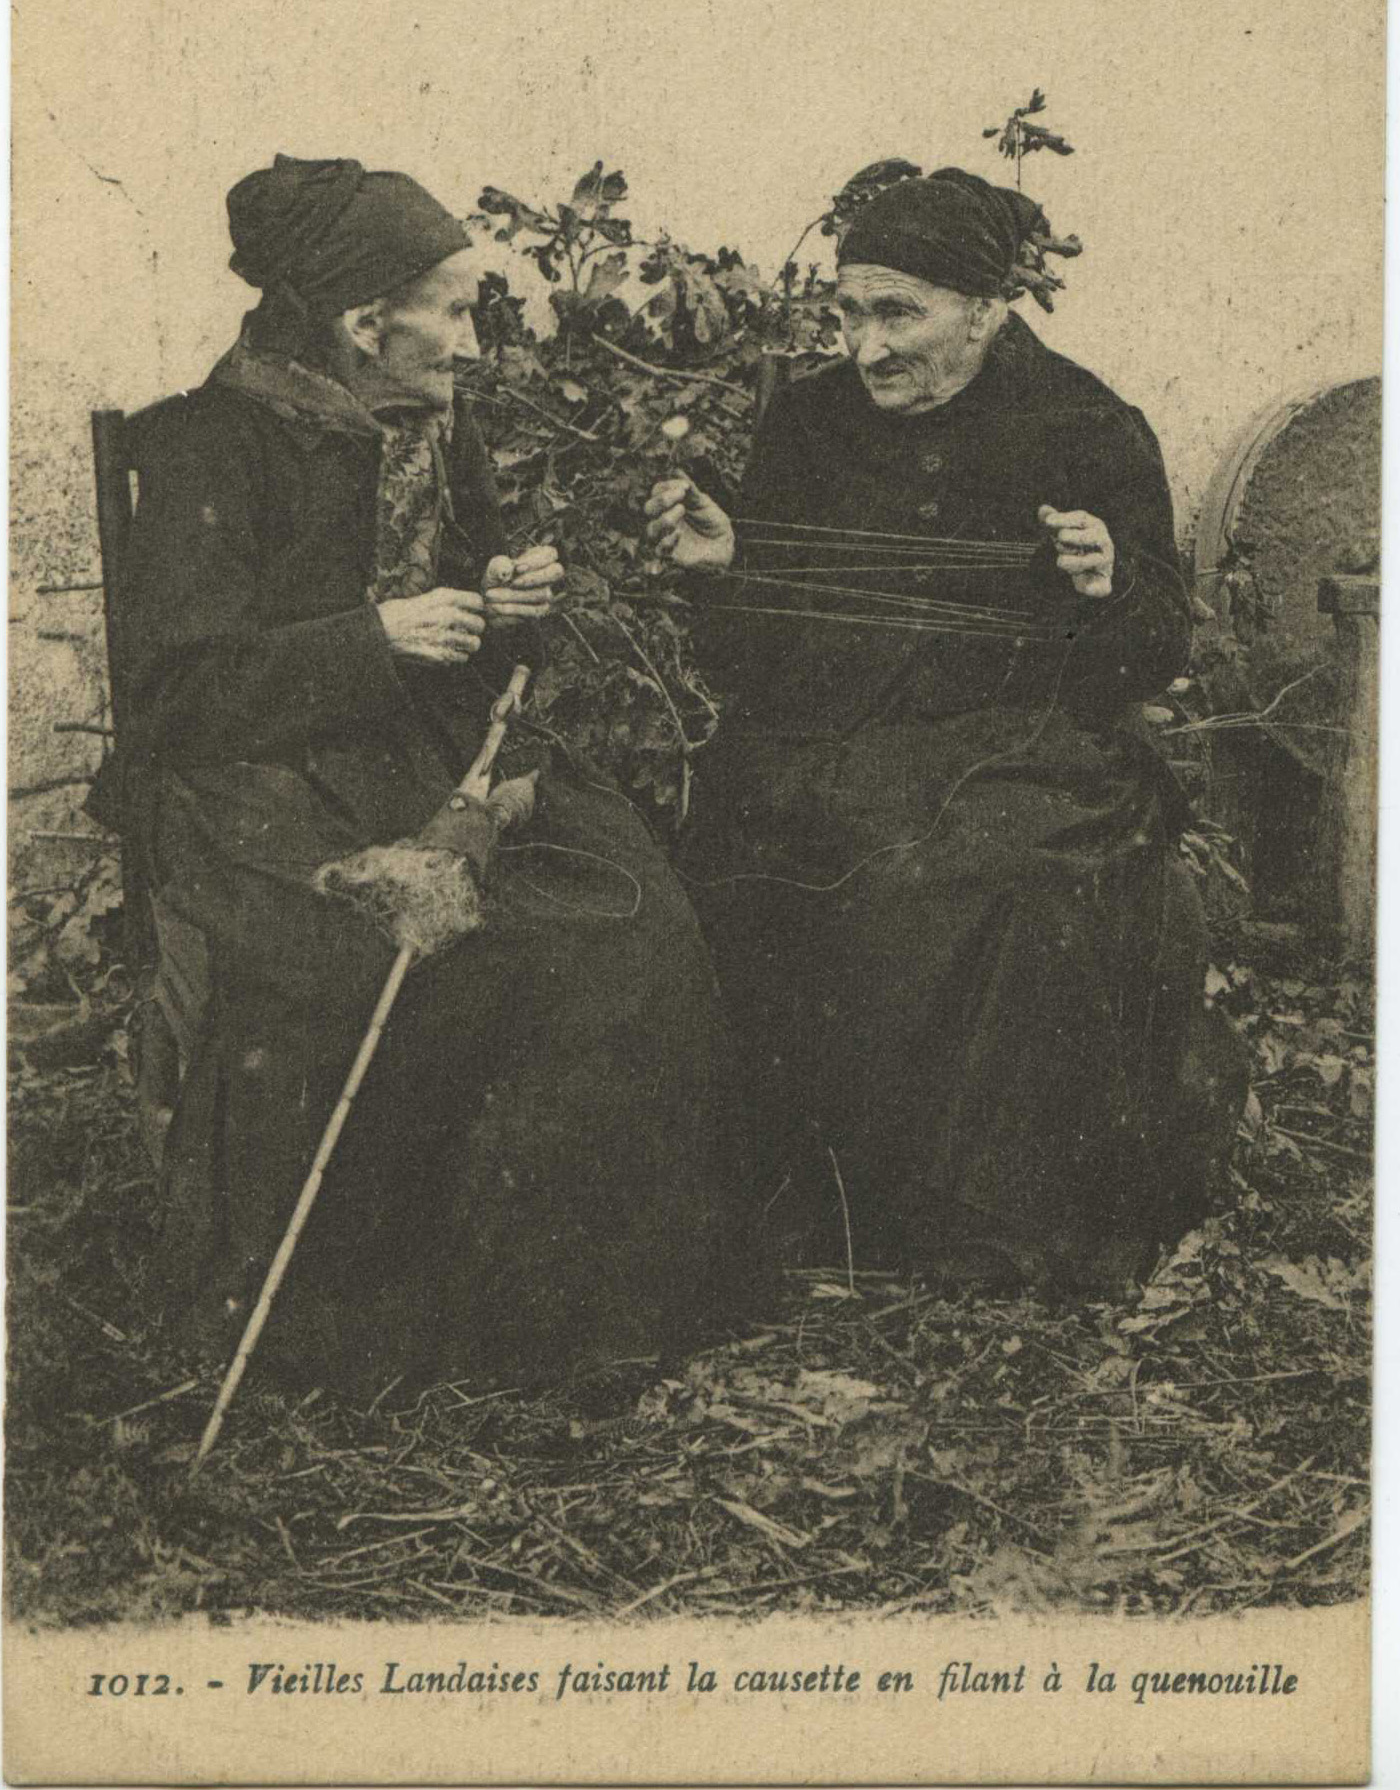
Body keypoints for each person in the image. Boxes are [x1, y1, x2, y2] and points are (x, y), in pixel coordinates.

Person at [113, 153, 764, 1402]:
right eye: (457, 310)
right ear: (365, 322)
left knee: (628, 913)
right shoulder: (211, 443)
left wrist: (504, 593)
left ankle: (581, 1312)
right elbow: (169, 696)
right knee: (378, 956)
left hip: (423, 759)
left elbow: (464, 592)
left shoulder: (427, 419)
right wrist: (373, 639)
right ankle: (374, 1329)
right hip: (257, 780)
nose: (473, 342)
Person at [646, 168, 1246, 1296]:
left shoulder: (1084, 425)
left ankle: (960, 1227)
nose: (864, 347)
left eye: (897, 313)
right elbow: (753, 656)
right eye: (848, 312)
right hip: (827, 740)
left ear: (984, 308)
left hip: (1025, 753)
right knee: (745, 850)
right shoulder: (811, 422)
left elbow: (1153, 643)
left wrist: (1110, 585)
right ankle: (794, 1209)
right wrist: (727, 572)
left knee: (970, 880)